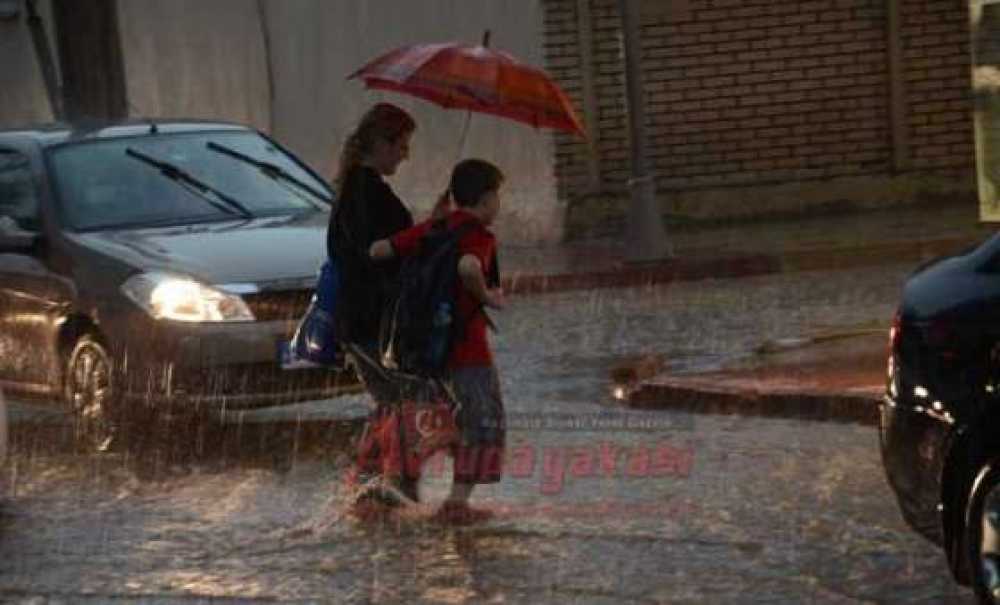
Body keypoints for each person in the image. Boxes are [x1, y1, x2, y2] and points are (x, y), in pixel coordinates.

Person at [370, 158, 506, 524]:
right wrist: (488, 297)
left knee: (454, 417)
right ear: (487, 199)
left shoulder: (434, 228)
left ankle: (407, 468)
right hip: (468, 350)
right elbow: (468, 267)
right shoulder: (479, 236)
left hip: (428, 349)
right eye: (497, 197)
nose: (498, 205)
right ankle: (456, 503)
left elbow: (379, 250)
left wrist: (428, 235)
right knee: (486, 424)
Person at [329, 102, 437, 505]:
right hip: (369, 320)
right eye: (402, 145)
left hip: (367, 319)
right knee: (413, 397)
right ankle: (392, 484)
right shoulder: (364, 191)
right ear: (381, 143)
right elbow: (376, 252)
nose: (406, 155)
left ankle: (369, 483)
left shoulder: (363, 187)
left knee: (396, 400)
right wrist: (424, 238)